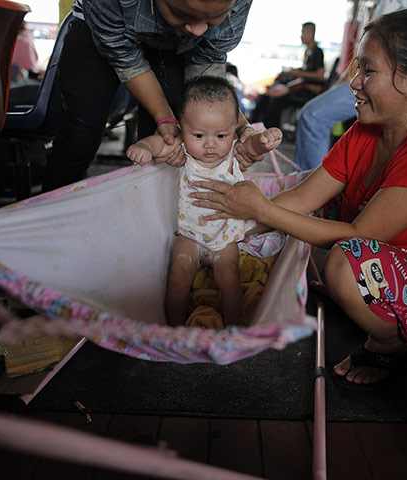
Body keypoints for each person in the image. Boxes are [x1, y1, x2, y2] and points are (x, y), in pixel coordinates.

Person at [191, 9, 407, 389]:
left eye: (368, 71)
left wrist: (259, 210)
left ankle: (389, 345)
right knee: (305, 192)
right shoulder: (365, 132)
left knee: (344, 262)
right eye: (356, 68)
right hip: (393, 265)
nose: (354, 83)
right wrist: (221, 227)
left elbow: (357, 233)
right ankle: (369, 305)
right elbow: (302, 198)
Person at [42, 0, 263, 193]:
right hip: (102, 32)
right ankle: (49, 219)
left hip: (176, 48)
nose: (197, 30)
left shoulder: (228, 11)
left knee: (174, 141)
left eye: (214, 16)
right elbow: (126, 60)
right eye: (181, 13)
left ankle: (162, 220)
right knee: (80, 135)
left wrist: (234, 123)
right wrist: (164, 116)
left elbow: (205, 63)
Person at [126, 76, 282, 327]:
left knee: (230, 278)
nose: (210, 144)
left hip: (225, 237)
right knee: (179, 275)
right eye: (198, 134)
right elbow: (159, 145)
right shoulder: (182, 151)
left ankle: (232, 328)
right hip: (189, 236)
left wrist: (263, 140)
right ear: (181, 127)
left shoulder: (233, 152)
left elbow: (252, 144)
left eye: (221, 135)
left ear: (234, 128)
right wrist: (145, 146)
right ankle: (175, 328)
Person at [293, 0, 407, 171]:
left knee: (313, 116)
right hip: (380, 75)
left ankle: (307, 183)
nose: (355, 83)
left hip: (389, 79)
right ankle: (306, 183)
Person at [249, 22, 324, 129]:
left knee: (276, 98)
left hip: (308, 89)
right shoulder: (308, 51)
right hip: (300, 85)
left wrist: (296, 73)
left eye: (303, 32)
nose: (301, 36)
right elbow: (306, 71)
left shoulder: (317, 52)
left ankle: (271, 129)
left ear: (310, 34)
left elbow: (320, 75)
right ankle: (255, 125)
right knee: (265, 95)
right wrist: (292, 71)